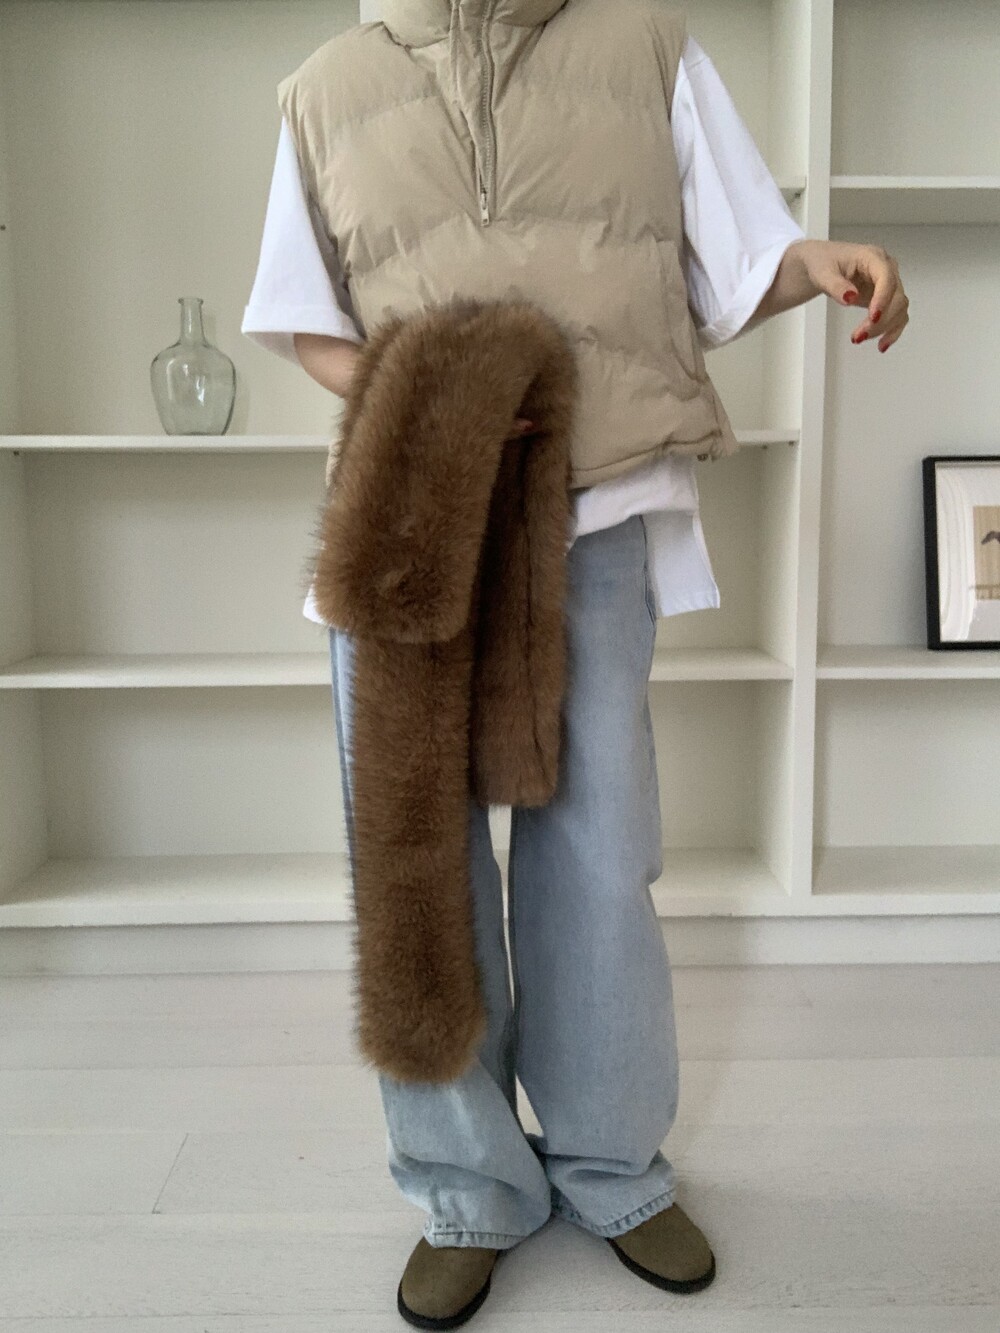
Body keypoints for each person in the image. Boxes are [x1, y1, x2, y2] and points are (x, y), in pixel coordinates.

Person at [243, 2, 910, 1326]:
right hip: (409, 519)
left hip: (595, 512)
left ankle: (613, 1168)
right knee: (417, 863)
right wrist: (445, 401)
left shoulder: (646, 45)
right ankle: (467, 1188)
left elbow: (738, 256)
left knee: (600, 847)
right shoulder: (324, 88)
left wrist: (821, 261)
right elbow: (306, 320)